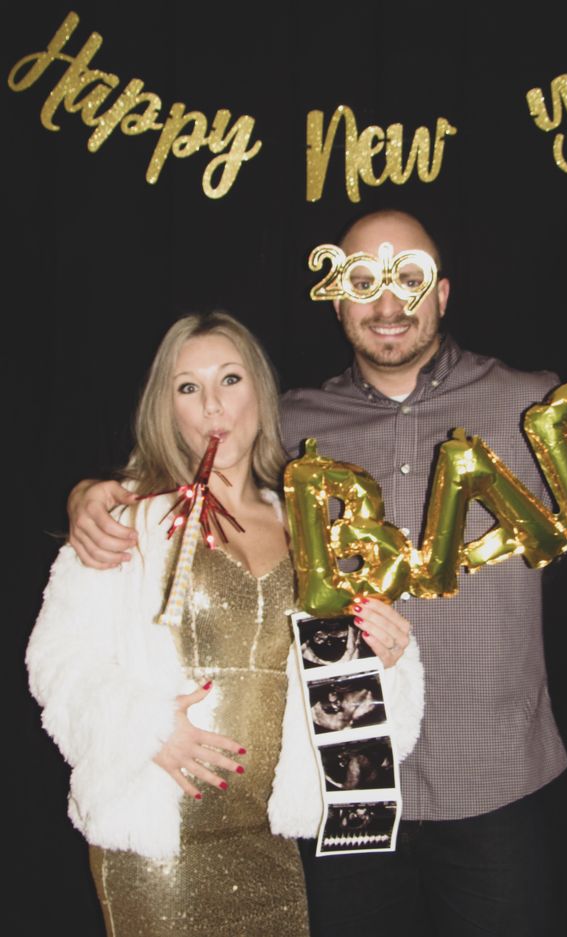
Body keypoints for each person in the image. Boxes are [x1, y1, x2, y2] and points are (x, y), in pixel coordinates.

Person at [66, 213, 567, 937]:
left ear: (441, 293)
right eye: (363, 283)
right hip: (341, 787)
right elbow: (180, 474)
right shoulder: (286, 427)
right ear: (336, 297)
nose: (387, 306)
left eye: (407, 280)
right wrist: (92, 498)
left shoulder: (527, 405)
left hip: (496, 785)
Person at [28, 310, 421, 937]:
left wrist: (383, 662)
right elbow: (58, 658)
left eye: (230, 379)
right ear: (168, 407)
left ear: (261, 393)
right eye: (189, 387)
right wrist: (144, 728)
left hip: (268, 839)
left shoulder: (307, 526)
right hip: (159, 846)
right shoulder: (123, 517)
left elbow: (335, 701)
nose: (213, 405)